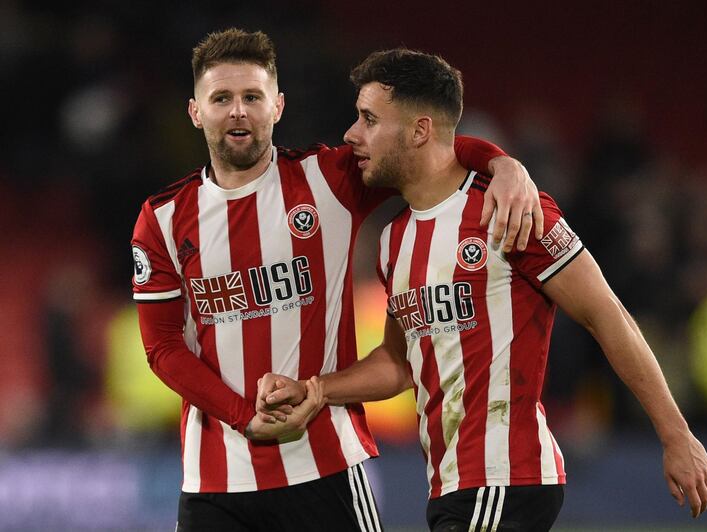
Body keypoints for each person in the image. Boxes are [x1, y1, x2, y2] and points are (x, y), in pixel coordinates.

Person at [258, 49, 707, 531]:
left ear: (419, 131)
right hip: (450, 485)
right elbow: (398, 363)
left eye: (369, 119)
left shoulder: (511, 211)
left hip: (505, 475)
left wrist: (675, 433)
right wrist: (316, 389)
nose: (352, 133)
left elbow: (606, 314)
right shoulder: (394, 240)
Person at [131, 28, 543, 532]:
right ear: (196, 112)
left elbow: (427, 142)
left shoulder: (327, 180)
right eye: (221, 98)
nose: (238, 110)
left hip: (327, 468)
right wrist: (244, 417)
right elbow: (162, 347)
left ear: (277, 106)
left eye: (252, 97)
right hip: (216, 484)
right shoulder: (164, 219)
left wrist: (502, 164)